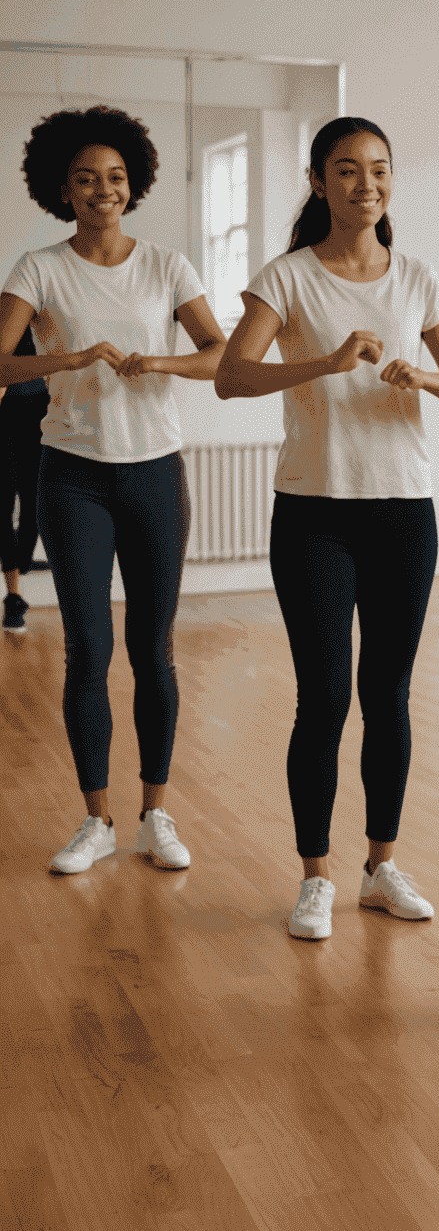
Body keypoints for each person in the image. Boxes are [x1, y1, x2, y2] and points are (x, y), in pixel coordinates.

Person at [215, 117, 439, 941]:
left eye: (380, 170)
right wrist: (321, 362)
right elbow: (231, 377)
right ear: (318, 181)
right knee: (322, 697)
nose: (367, 185)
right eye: (348, 170)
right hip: (315, 512)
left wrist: (420, 372)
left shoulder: (419, 278)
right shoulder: (285, 278)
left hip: (404, 510)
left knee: (387, 695)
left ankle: (381, 866)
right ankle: (315, 875)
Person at [0, 105, 225, 872]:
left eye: (117, 177)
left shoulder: (166, 266)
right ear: (62, 187)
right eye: (87, 178)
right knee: (89, 648)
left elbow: (220, 355)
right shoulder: (39, 268)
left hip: (155, 471)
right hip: (72, 476)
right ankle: (96, 819)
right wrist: (61, 361)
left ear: (135, 185)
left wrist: (159, 363)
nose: (104, 189)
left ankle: (154, 814)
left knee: (152, 649)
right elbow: (0, 362)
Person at [2, 324, 50, 633]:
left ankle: (22, 558)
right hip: (5, 420)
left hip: (38, 415)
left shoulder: (38, 328)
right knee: (4, 507)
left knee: (36, 505)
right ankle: (14, 598)